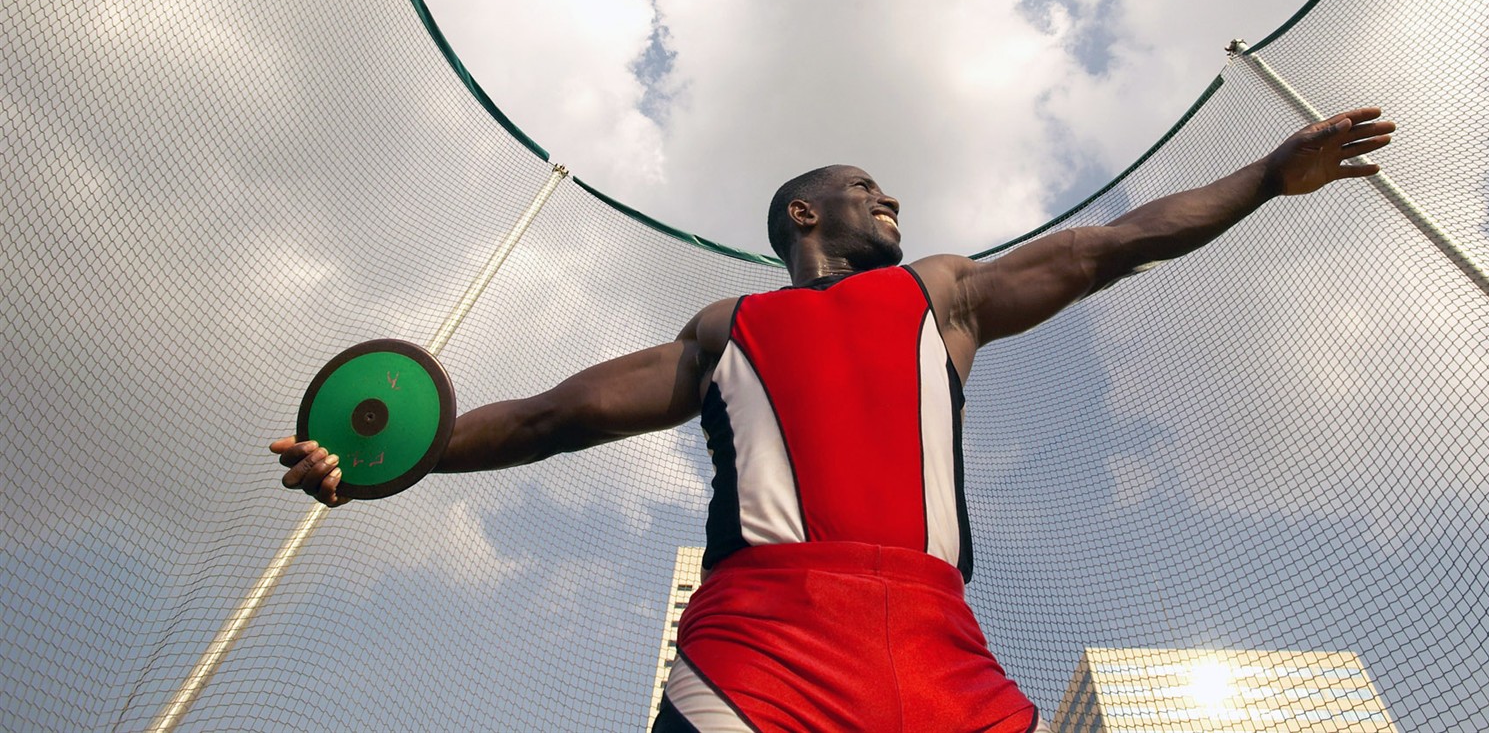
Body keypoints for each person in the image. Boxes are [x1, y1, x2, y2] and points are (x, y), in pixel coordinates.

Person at [272, 107, 1395, 732]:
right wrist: (392, 459)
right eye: (869, 187)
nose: (891, 198)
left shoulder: (943, 294)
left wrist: (1263, 175)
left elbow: (1110, 246)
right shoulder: (726, 327)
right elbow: (551, 418)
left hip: (941, 649)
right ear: (806, 214)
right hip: (765, 649)